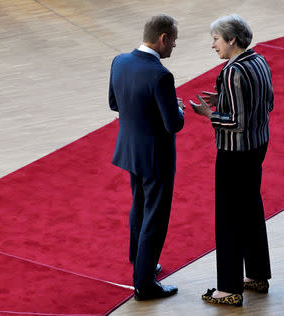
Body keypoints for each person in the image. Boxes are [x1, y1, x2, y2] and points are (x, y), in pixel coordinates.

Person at [190, 14, 274, 307]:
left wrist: (209, 114)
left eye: (216, 39)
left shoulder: (231, 71)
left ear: (232, 40)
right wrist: (222, 99)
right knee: (251, 207)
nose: (213, 45)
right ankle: (257, 274)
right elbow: (268, 102)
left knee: (227, 217)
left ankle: (228, 288)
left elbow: (235, 122)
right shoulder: (260, 61)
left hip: (234, 153)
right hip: (258, 146)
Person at [108, 14, 185, 300]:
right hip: (156, 157)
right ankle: (144, 283)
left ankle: (139, 259)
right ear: (163, 38)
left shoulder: (119, 61)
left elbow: (115, 103)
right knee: (155, 217)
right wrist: (177, 108)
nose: (174, 47)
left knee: (138, 206)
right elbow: (173, 124)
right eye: (174, 41)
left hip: (130, 150)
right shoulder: (161, 75)